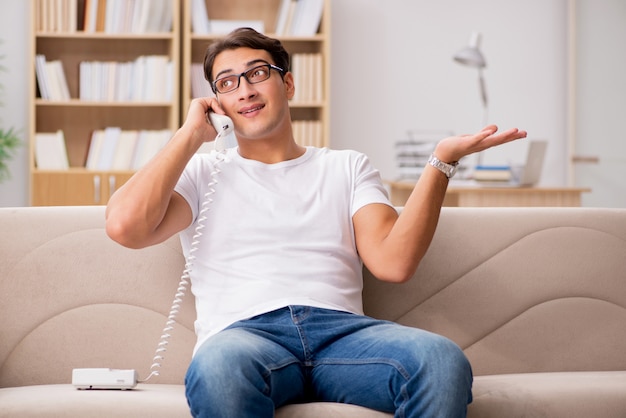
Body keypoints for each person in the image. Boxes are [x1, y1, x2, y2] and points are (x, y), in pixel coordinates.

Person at [105, 27, 527, 418]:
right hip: (245, 340)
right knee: (216, 367)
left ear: (287, 83)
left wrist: (442, 161)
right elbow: (124, 227)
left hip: (343, 337)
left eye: (257, 73)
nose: (245, 90)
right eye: (227, 83)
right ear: (218, 103)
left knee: (440, 360)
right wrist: (190, 134)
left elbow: (394, 263)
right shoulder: (202, 174)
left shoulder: (347, 167)